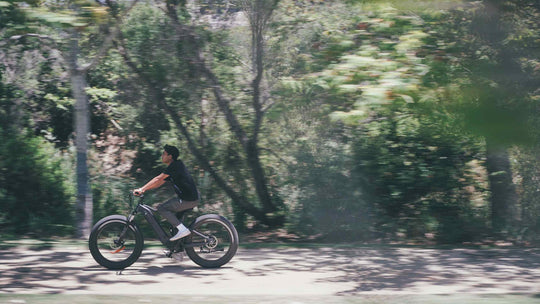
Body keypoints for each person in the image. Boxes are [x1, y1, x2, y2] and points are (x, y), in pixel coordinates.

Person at [133, 144, 199, 241]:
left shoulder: (175, 166)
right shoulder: (175, 166)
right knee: (174, 225)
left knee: (161, 208)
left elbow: (158, 178)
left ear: (170, 156)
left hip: (188, 200)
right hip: (189, 198)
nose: (162, 156)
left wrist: (142, 189)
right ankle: (178, 251)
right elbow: (159, 182)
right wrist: (145, 189)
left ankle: (182, 230)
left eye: (164, 154)